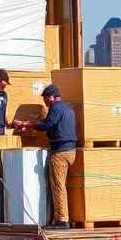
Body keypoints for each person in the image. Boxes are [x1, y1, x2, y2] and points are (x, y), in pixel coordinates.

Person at [16, 84, 76, 230]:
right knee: (62, 185)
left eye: (45, 100)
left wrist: (29, 124)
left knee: (58, 186)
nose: (45, 103)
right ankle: (61, 217)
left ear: (50, 97)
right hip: (71, 151)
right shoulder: (67, 108)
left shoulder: (55, 108)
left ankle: (62, 220)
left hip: (60, 152)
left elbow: (47, 125)